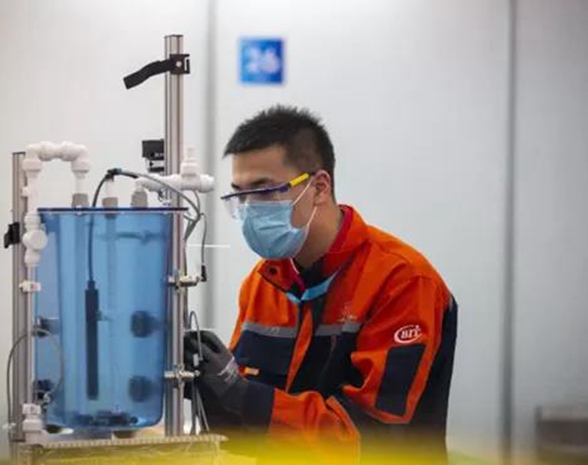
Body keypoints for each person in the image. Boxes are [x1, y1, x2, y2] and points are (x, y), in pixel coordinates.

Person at [184, 106, 458, 464]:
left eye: (265, 191)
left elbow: (369, 438)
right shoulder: (264, 282)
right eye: (240, 195)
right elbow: (249, 424)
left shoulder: (402, 281)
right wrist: (203, 384)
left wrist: (240, 393)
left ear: (319, 187)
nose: (250, 209)